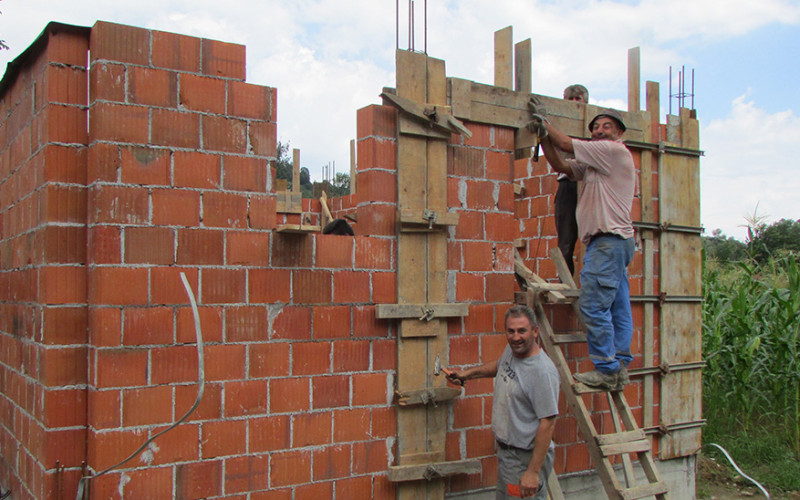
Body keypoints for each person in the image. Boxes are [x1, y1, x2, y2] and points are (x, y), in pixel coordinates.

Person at [533, 108, 635, 391]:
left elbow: (566, 144)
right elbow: (563, 166)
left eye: (607, 126)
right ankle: (620, 366)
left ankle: (606, 368)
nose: (600, 131)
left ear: (619, 133)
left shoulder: (613, 152)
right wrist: (543, 138)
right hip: (615, 244)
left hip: (606, 243)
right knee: (617, 307)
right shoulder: (595, 164)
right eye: (596, 127)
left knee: (592, 305)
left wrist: (545, 122)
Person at [447, 305, 560, 499]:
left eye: (522, 331)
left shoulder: (542, 372)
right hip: (508, 456)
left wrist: (532, 472)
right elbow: (500, 366)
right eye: (511, 331)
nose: (516, 337)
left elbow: (548, 423)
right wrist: (467, 374)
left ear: (535, 331)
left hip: (525, 458)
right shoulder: (513, 350)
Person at [555, 84, 589, 276]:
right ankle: (565, 280)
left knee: (592, 237)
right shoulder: (560, 125)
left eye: (579, 99)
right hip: (567, 183)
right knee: (566, 240)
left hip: (588, 185)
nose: (575, 103)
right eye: (571, 99)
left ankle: (589, 282)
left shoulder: (593, 126)